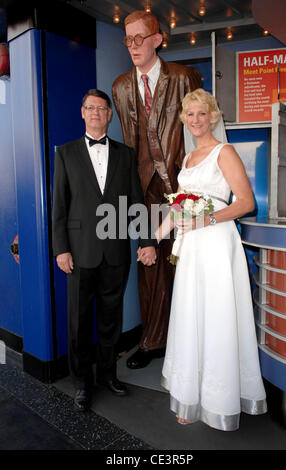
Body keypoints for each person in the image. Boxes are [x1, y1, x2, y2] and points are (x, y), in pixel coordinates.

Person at [156, 88, 267, 431]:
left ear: (213, 117)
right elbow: (179, 204)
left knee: (217, 315)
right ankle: (192, 394)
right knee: (192, 312)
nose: (195, 120)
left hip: (217, 242)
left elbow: (246, 203)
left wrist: (206, 220)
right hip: (191, 247)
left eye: (202, 113)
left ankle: (218, 399)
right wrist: (157, 233)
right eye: (189, 115)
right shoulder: (187, 160)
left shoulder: (225, 152)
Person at [52, 89, 156, 411]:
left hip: (115, 253)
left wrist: (147, 241)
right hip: (79, 254)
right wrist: (61, 249)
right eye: (90, 107)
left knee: (110, 321)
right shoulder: (66, 153)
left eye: (102, 108)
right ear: (82, 113)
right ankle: (81, 384)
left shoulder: (126, 155)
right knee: (79, 323)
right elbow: (60, 206)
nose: (96, 112)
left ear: (109, 115)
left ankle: (109, 375)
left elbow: (135, 202)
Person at [112, 10, 203, 369]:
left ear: (157, 39)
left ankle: (188, 342)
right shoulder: (120, 86)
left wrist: (196, 184)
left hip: (183, 186)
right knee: (149, 265)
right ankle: (151, 341)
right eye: (127, 39)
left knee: (185, 262)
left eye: (139, 38)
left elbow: (199, 129)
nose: (133, 46)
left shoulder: (184, 77)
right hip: (142, 189)